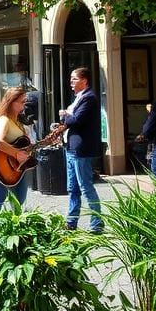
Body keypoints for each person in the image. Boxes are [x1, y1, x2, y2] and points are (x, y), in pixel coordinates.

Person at [60, 67, 103, 232]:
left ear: (84, 81)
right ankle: (71, 222)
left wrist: (65, 115)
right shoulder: (78, 98)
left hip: (81, 149)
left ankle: (97, 223)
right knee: (73, 188)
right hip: (71, 147)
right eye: (71, 79)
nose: (71, 82)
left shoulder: (89, 98)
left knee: (85, 186)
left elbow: (76, 120)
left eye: (74, 79)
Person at [0, 87, 32, 210]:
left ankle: (15, 227)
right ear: (11, 102)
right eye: (21, 102)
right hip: (3, 166)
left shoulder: (18, 122)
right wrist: (17, 154)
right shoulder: (4, 120)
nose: (24, 105)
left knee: (19, 202)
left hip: (18, 169)